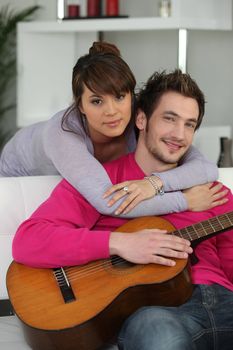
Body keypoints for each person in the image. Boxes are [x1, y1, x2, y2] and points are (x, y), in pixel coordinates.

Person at [12, 69, 232, 350]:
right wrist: (120, 243)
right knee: (163, 340)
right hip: (154, 312)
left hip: (223, 300)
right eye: (169, 119)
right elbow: (28, 240)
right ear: (141, 119)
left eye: (189, 124)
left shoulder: (211, 193)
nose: (179, 134)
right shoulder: (101, 183)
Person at [0, 42, 218, 218]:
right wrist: (185, 201)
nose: (112, 111)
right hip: (20, 176)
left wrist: (154, 183)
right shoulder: (63, 132)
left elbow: (206, 168)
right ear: (80, 105)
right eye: (97, 101)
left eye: (120, 97)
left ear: (131, 96)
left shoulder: (138, 116)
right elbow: (109, 203)